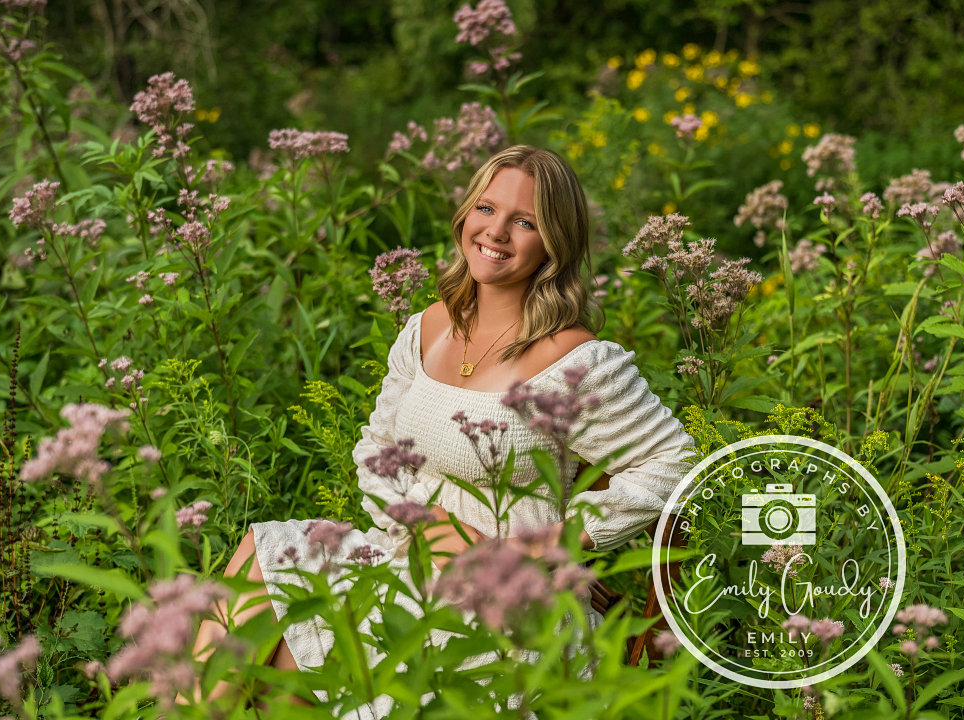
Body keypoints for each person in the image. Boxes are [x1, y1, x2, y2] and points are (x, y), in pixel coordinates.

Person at [179, 145, 696, 711]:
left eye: (524, 221)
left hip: (512, 609)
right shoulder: (428, 328)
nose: (496, 232)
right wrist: (424, 525)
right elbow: (379, 448)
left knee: (279, 670)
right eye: (486, 209)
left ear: (554, 242)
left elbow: (675, 465)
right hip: (409, 559)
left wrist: (546, 545)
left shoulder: (578, 362)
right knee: (268, 557)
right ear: (465, 214)